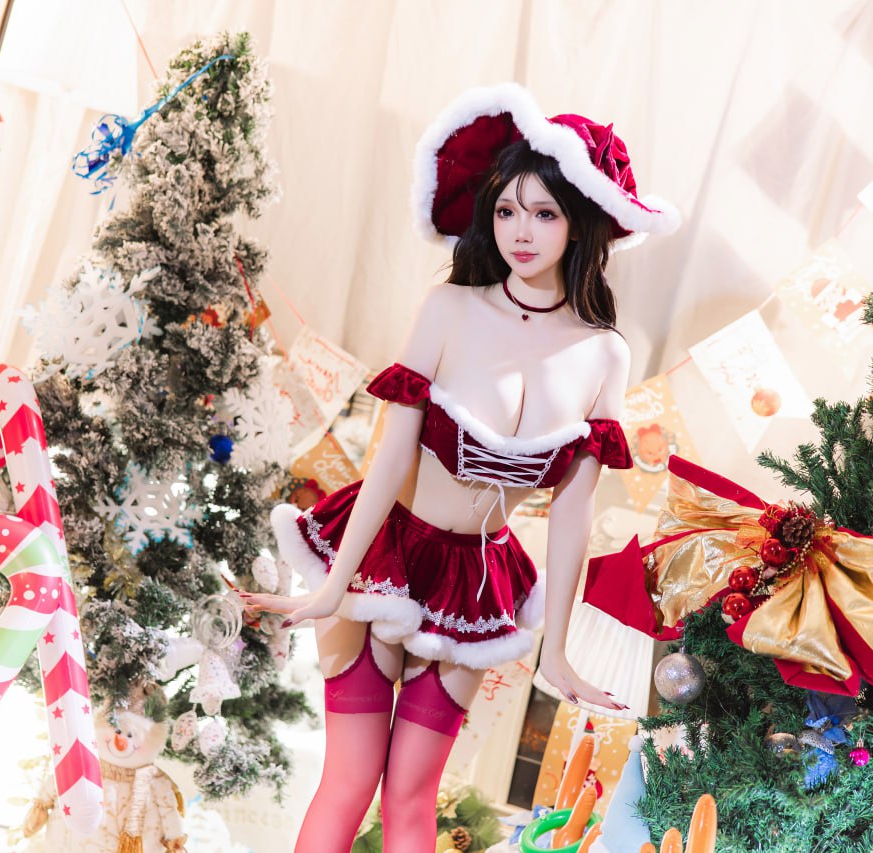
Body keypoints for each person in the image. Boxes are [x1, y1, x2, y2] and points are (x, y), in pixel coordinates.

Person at [240, 83, 679, 852]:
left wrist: (557, 650)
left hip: (479, 581)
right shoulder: (450, 308)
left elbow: (573, 509)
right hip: (387, 553)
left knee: (412, 796)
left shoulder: (606, 354)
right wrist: (335, 584)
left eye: (544, 213)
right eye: (506, 210)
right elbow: (391, 455)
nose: (521, 231)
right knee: (349, 781)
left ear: (581, 220)